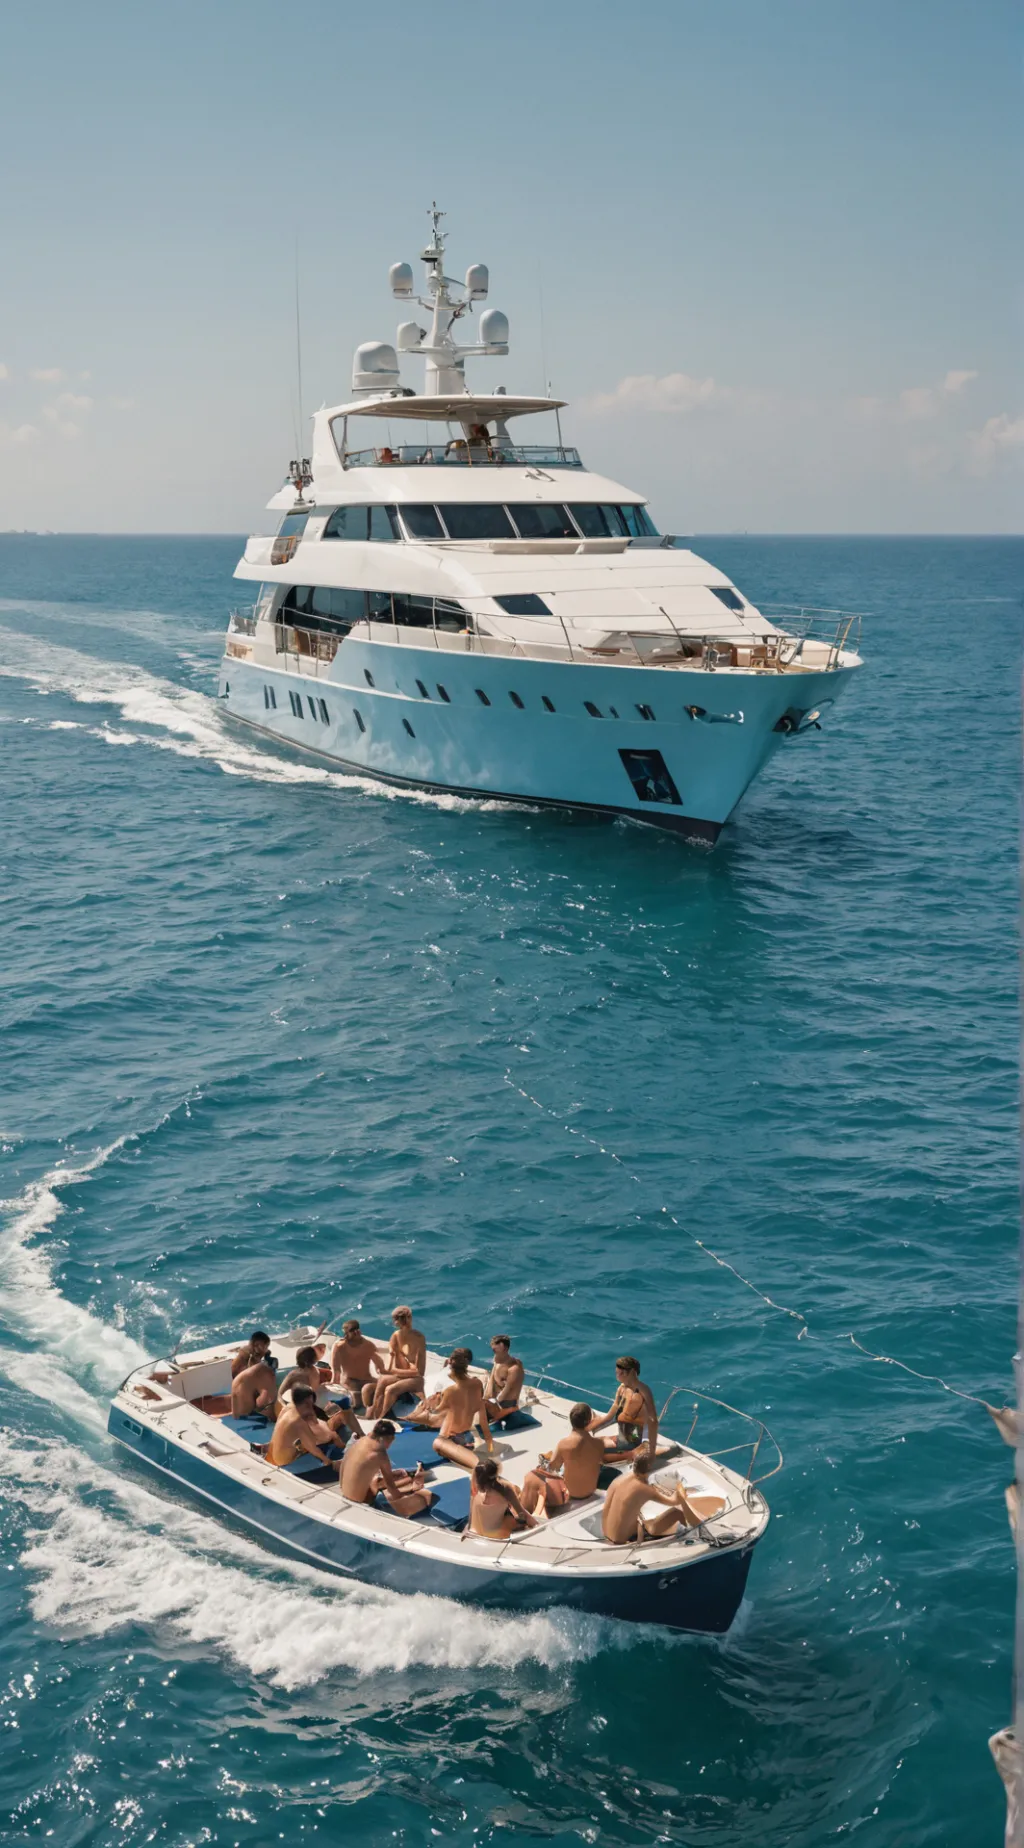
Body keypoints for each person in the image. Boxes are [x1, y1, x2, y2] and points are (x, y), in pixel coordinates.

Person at [521, 1402, 605, 1517]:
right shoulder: (599, 1444)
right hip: (590, 1491)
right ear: (589, 1421)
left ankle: (524, 1513)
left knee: (532, 1477)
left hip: (571, 1494)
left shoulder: (564, 1444)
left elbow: (552, 1468)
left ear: (571, 1420)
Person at [601, 1454, 702, 1544]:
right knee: (678, 1513)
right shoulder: (645, 1489)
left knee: (640, 1515)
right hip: (627, 1538)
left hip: (607, 1534)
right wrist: (680, 1487)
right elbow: (674, 1501)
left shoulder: (620, 1480)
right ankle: (689, 1540)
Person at [340, 1419, 433, 1516]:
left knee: (382, 1478)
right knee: (424, 1498)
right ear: (385, 1438)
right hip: (360, 1503)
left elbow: (343, 1468)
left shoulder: (360, 1441)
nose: (390, 1445)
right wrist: (407, 1495)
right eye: (391, 1441)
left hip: (345, 1493)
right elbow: (391, 1488)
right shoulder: (380, 1454)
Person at [278, 1346, 360, 1437]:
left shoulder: (293, 1374)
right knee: (344, 1399)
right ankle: (357, 1430)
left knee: (339, 1396)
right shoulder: (313, 1371)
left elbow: (280, 1393)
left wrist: (285, 1405)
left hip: (303, 1402)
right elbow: (313, 1391)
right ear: (312, 1358)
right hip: (314, 1403)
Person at [588, 1356, 659, 1461]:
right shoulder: (622, 1388)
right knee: (586, 1445)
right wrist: (585, 1430)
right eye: (617, 1373)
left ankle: (630, 1454)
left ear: (631, 1372)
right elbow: (609, 1416)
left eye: (620, 1373)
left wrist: (651, 1451)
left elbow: (653, 1420)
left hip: (633, 1443)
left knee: (592, 1454)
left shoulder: (643, 1391)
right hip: (621, 1440)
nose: (617, 1375)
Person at [266, 1386, 346, 1472]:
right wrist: (328, 1461)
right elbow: (312, 1448)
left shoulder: (287, 1408)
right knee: (327, 1439)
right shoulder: (299, 1421)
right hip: (284, 1462)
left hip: (272, 1456)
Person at [366, 1307, 427, 1418]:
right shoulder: (396, 1336)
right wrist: (393, 1370)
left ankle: (381, 1417)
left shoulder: (419, 1338)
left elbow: (420, 1372)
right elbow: (391, 1362)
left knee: (390, 1389)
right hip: (404, 1374)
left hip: (416, 1379)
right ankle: (374, 1414)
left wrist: (395, 1371)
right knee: (382, 1380)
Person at [468, 1458, 538, 1539]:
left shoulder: (476, 1492)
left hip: (477, 1535)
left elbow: (471, 1519)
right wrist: (536, 1526)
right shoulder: (505, 1490)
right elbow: (523, 1514)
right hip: (499, 1536)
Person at [330, 1319, 384, 1407]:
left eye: (357, 1329)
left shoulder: (368, 1345)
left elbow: (379, 1365)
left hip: (366, 1379)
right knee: (356, 1401)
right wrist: (334, 1387)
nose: (356, 1332)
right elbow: (336, 1371)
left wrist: (380, 1371)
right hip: (349, 1381)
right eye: (352, 1330)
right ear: (346, 1333)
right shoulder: (339, 1347)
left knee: (385, 1390)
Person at [484, 1336, 524, 1424]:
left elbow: (509, 1390)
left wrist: (496, 1405)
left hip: (506, 1402)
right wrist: (486, 1397)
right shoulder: (498, 1359)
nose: (494, 1352)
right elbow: (492, 1378)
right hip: (496, 1397)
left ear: (504, 1348)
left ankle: (508, 1410)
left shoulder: (514, 1368)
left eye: (495, 1350)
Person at [230, 1352, 279, 1418]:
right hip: (249, 1418)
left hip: (237, 1416)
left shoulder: (241, 1377)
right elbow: (265, 1403)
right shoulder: (265, 1373)